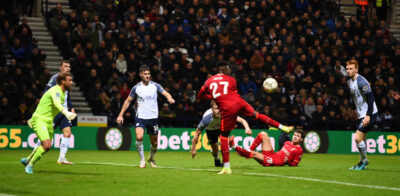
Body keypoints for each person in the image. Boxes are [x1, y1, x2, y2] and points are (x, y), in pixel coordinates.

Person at [197, 61, 293, 174]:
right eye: (228, 69)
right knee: (257, 115)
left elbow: (200, 96)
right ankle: (283, 127)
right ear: (223, 70)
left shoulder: (208, 81)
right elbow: (231, 93)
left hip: (227, 108)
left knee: (223, 138)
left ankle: (227, 167)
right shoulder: (231, 80)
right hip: (239, 102)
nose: (229, 70)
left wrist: (213, 96)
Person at [116, 65, 175, 168]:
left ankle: (151, 158)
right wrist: (121, 115)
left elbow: (166, 93)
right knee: (139, 137)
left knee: (155, 143)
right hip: (141, 117)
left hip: (153, 118)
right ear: (140, 75)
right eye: (145, 74)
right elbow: (128, 101)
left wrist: (170, 98)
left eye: (148, 74)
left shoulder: (155, 85)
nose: (147, 76)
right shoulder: (136, 88)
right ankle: (142, 160)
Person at [21, 72, 77, 174]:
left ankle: (27, 159)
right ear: (63, 81)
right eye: (69, 80)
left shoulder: (63, 92)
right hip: (40, 119)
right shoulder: (56, 90)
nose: (71, 83)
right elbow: (56, 103)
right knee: (46, 145)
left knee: (46, 146)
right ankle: (30, 165)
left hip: (48, 121)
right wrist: (66, 113)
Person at [29, 60, 75, 164]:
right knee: (45, 138)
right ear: (60, 68)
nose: (68, 68)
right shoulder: (55, 79)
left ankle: (62, 157)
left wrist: (70, 107)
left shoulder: (67, 80)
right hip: (54, 111)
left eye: (69, 66)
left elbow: (67, 95)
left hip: (64, 111)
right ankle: (32, 155)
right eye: (65, 66)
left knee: (67, 133)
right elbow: (46, 93)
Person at [191, 101, 252, 167]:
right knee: (215, 149)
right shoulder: (207, 118)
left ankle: (225, 163)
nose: (218, 111)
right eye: (216, 108)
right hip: (210, 130)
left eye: (219, 108)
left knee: (226, 143)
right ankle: (216, 159)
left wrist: (247, 128)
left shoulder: (225, 113)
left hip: (221, 127)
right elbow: (197, 133)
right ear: (212, 109)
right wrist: (193, 148)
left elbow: (242, 120)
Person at [346, 59, 378, 170]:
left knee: (357, 138)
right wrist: (356, 111)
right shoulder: (349, 82)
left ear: (356, 69)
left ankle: (364, 161)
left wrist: (368, 115)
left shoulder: (361, 82)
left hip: (370, 113)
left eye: (351, 69)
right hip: (361, 114)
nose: (348, 71)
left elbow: (371, 99)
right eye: (347, 69)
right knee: (362, 140)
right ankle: (361, 163)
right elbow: (356, 98)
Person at [229, 130, 304, 166]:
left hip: (277, 161)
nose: (295, 137)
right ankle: (247, 151)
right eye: (295, 135)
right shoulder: (287, 142)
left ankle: (234, 146)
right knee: (263, 134)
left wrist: (288, 162)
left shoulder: (299, 150)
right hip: (273, 155)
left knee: (254, 154)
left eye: (298, 136)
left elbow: (295, 163)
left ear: (301, 139)